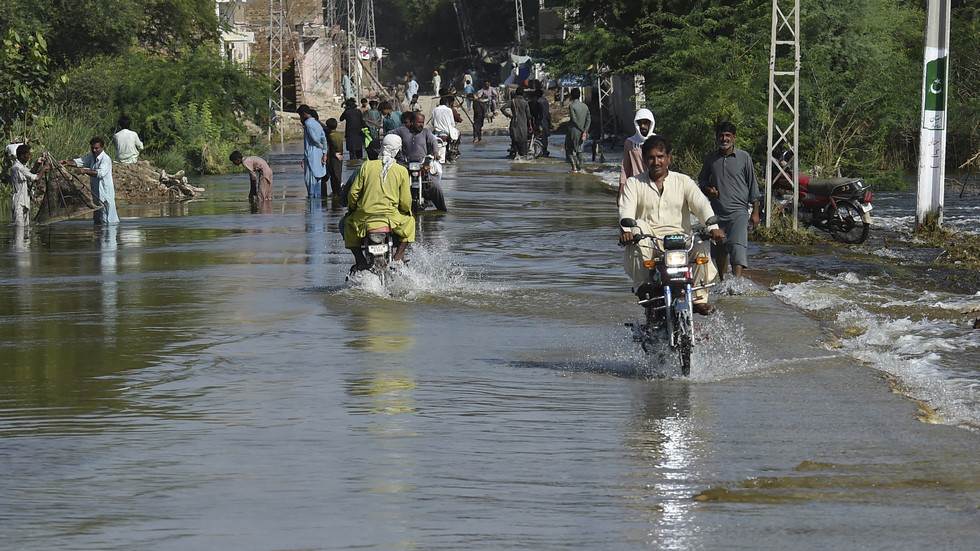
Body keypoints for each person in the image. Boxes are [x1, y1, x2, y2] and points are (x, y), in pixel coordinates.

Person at [619, 136, 724, 315]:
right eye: (651, 157)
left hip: (680, 241)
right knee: (638, 227)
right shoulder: (634, 183)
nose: (656, 162)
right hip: (650, 242)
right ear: (644, 160)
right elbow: (626, 212)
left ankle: (698, 299)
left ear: (669, 158)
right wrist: (628, 232)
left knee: (700, 246)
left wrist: (712, 228)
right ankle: (644, 287)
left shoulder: (683, 181)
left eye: (660, 157)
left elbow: (701, 205)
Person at [697, 122, 761, 280]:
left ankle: (737, 283)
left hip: (738, 212)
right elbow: (702, 180)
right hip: (716, 213)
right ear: (717, 137)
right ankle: (722, 281)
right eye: (721, 135)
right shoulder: (711, 158)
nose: (724, 139)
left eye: (727, 135)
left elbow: (753, 185)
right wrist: (708, 190)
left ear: (734, 137)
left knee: (737, 247)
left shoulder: (744, 157)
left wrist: (755, 212)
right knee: (719, 249)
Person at [344, 134, 415, 270]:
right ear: (398, 150)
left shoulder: (366, 166)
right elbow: (406, 202)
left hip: (364, 218)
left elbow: (353, 194)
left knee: (348, 226)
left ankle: (360, 260)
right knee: (410, 222)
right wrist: (407, 212)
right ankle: (398, 255)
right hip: (391, 219)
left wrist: (352, 210)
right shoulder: (401, 170)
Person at [389, 112, 448, 211]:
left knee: (435, 186)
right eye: (418, 122)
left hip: (422, 164)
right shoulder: (402, 131)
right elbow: (389, 134)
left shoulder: (426, 132)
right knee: (392, 183)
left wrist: (435, 153)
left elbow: (433, 141)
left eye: (422, 122)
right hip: (405, 164)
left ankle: (442, 210)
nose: (421, 124)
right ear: (412, 122)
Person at [61, 137, 119, 224]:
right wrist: (68, 163)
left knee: (107, 219)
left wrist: (84, 171)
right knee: (98, 218)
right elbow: (81, 162)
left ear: (102, 148)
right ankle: (99, 236)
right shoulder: (92, 157)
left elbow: (100, 173)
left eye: (96, 148)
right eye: (92, 148)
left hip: (105, 193)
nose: (94, 150)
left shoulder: (105, 159)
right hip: (96, 193)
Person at [619, 108, 657, 205]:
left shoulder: (657, 142)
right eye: (640, 123)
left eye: (645, 123)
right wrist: (620, 193)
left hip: (654, 187)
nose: (643, 126)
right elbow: (625, 169)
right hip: (635, 187)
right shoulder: (630, 143)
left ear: (650, 124)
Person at [10, 144, 49, 226]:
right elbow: (36, 178)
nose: (29, 157)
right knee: (19, 229)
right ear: (22, 156)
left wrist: (37, 163)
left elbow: (31, 173)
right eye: (28, 155)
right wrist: (43, 168)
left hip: (24, 201)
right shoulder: (18, 167)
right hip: (19, 203)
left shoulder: (21, 166)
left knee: (26, 228)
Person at [298, 104, 327, 198]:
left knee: (310, 181)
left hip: (311, 155)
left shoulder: (308, 124)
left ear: (304, 114)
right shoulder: (317, 124)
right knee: (317, 181)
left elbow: (313, 138)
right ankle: (317, 207)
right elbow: (323, 138)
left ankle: (311, 207)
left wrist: (319, 145)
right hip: (319, 154)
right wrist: (324, 152)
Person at [501, 86, 532, 159]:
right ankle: (523, 156)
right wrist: (530, 126)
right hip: (523, 124)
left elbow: (502, 108)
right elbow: (528, 115)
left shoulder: (512, 101)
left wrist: (509, 115)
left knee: (514, 140)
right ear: (523, 94)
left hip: (514, 123)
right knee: (523, 140)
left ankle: (516, 154)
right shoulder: (525, 102)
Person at [565, 88, 590, 173]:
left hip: (573, 130)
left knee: (569, 149)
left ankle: (574, 167)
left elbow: (574, 120)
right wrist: (585, 131)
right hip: (582, 132)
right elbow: (588, 119)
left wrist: (582, 129)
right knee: (580, 149)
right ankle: (580, 167)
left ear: (572, 96)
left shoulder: (572, 106)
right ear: (579, 95)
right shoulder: (585, 106)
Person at [325, 118, 345, 196]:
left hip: (334, 157)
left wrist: (333, 153)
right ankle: (338, 192)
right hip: (340, 156)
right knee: (338, 173)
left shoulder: (331, 136)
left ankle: (337, 192)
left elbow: (333, 146)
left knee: (334, 175)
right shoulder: (339, 135)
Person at [534, 89, 552, 157]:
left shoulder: (540, 102)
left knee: (541, 136)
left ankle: (542, 150)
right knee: (544, 137)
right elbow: (547, 113)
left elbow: (545, 113)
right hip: (543, 121)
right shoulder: (544, 101)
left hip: (541, 121)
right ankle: (543, 150)